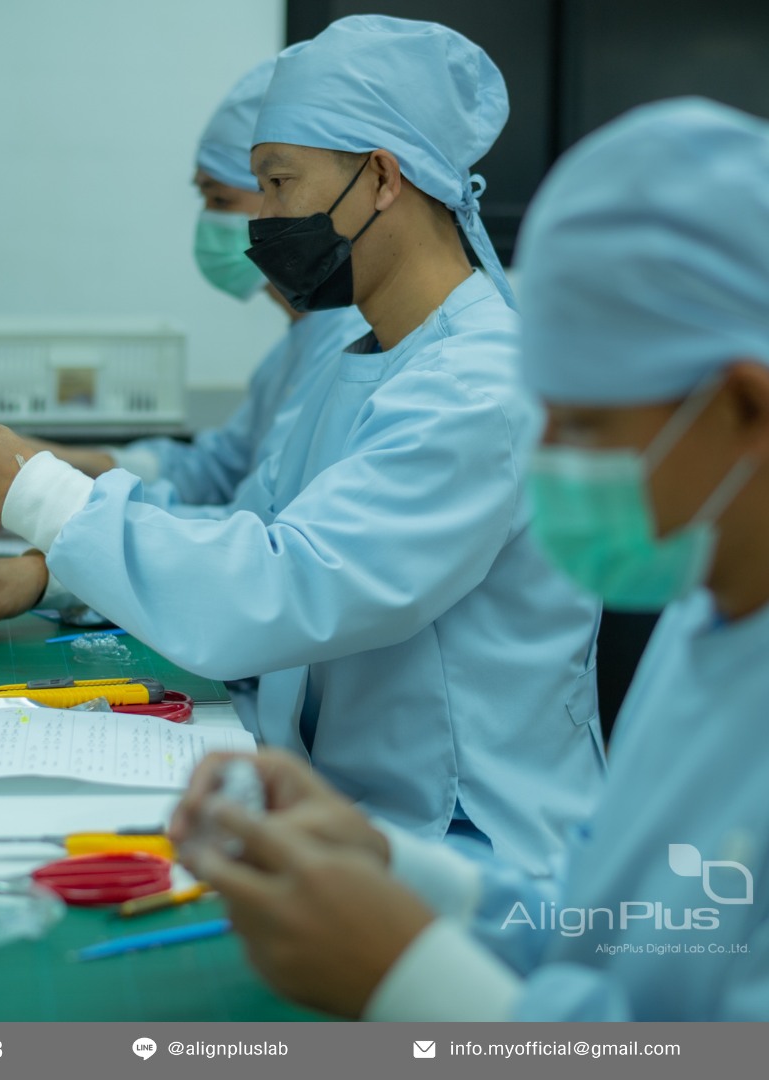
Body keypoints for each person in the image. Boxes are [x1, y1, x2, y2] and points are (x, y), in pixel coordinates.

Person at [0, 16, 604, 875]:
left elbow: (288, 585)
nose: (261, 219)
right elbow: (249, 527)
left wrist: (34, 491)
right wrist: (54, 572)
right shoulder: (368, 358)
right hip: (348, 804)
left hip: (464, 844)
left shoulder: (477, 385)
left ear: (382, 178)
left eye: (276, 182)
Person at [170, 97, 769, 1021]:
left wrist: (412, 979)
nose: (547, 453)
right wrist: (390, 866)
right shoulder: (710, 620)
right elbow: (609, 923)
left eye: (585, 424)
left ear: (743, 406)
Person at [26, 58, 368, 516]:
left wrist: (56, 503)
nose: (212, 220)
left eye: (222, 199)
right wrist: (51, 463)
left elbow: (263, 524)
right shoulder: (297, 346)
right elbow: (218, 470)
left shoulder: (349, 342)